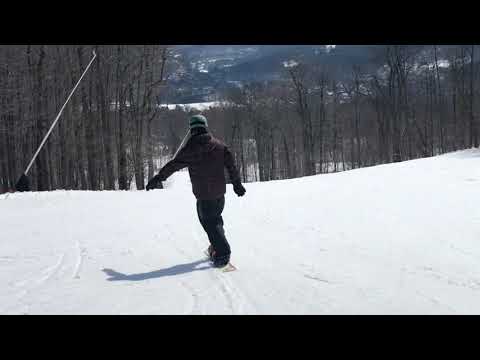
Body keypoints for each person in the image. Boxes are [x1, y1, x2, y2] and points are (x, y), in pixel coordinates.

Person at [146, 114, 246, 267]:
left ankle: (223, 254)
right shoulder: (220, 146)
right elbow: (231, 166)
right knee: (215, 220)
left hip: (204, 196)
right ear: (205, 127)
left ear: (192, 130)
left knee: (209, 223)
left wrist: (158, 178)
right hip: (220, 195)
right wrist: (237, 185)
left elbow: (173, 165)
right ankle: (216, 244)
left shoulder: (190, 150)